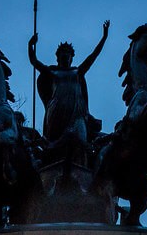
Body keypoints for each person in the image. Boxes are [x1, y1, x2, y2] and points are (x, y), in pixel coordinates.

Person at [28, 20, 109, 162]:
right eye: (62, 53)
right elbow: (34, 61)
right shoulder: (52, 72)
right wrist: (30, 45)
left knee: (81, 139)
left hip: (76, 111)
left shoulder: (78, 72)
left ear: (72, 57)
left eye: (68, 53)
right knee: (53, 146)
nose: (65, 55)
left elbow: (93, 55)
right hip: (56, 111)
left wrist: (104, 37)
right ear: (57, 57)